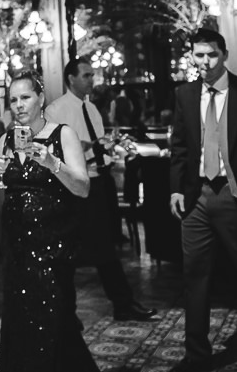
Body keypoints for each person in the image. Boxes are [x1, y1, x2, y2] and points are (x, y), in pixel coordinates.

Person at [168, 28, 237, 372]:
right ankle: (197, 355)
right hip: (196, 196)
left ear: (224, 53)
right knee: (194, 277)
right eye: (199, 55)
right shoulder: (184, 94)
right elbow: (180, 145)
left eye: (211, 54)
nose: (205, 62)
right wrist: (177, 188)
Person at [0, 72, 98, 372]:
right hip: (16, 250)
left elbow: (83, 188)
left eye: (25, 97)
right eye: (13, 99)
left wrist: (53, 163)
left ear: (40, 98)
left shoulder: (62, 135)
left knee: (55, 318)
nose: (18, 105)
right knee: (19, 320)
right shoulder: (4, 140)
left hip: (54, 248)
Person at [45, 58, 156, 321]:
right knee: (74, 249)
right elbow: (57, 149)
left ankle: (121, 303)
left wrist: (107, 147)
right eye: (86, 75)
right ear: (70, 78)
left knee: (105, 246)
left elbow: (98, 145)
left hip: (100, 180)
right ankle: (67, 311)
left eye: (92, 75)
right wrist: (90, 146)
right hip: (76, 186)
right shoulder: (56, 110)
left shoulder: (93, 109)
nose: (91, 80)